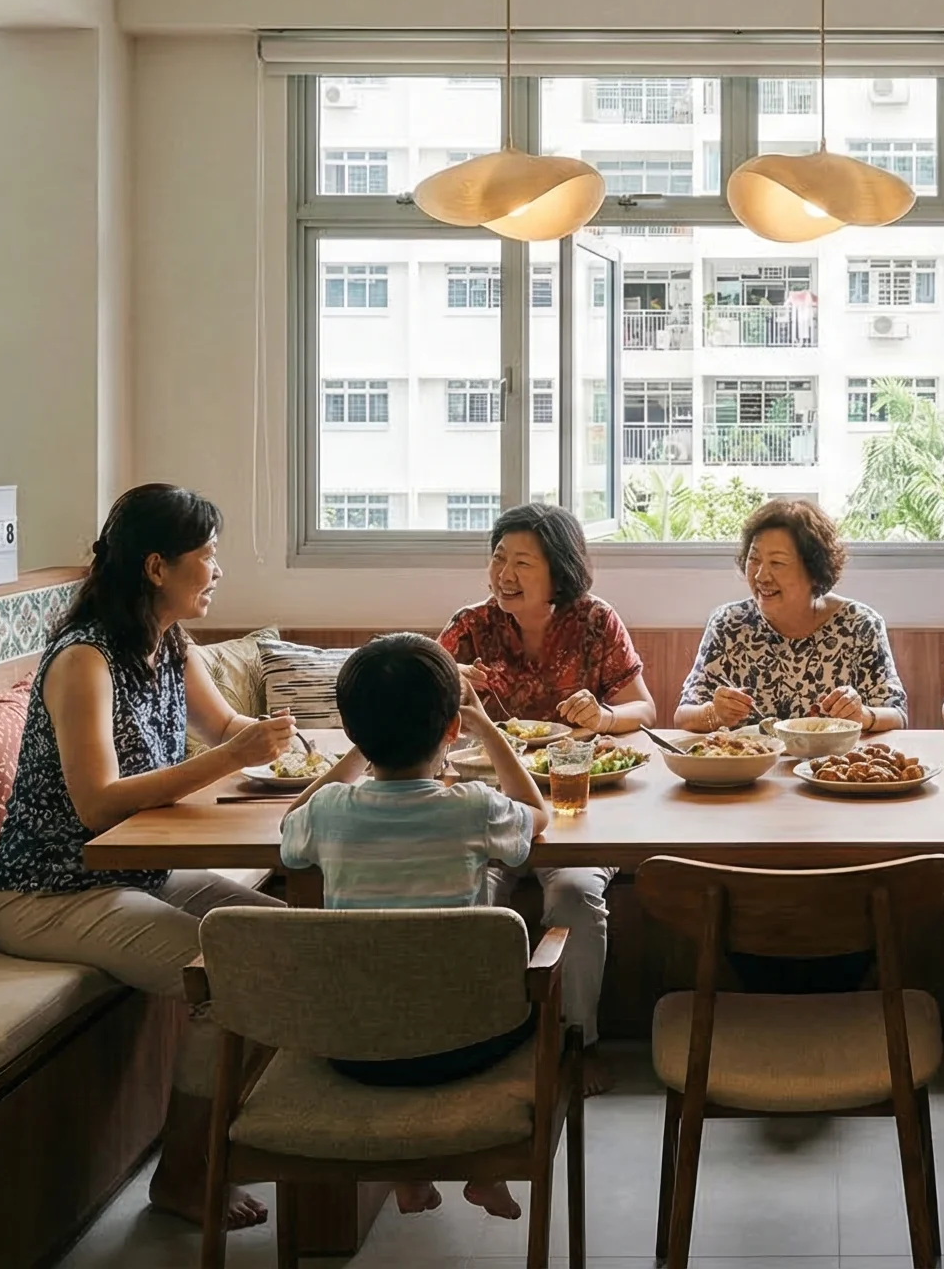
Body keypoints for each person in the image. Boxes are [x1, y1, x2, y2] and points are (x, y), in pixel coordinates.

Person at [0, 483, 297, 1234]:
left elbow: (227, 726)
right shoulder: (84, 659)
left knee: (291, 943)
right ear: (158, 567)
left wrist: (310, 745)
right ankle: (184, 1176)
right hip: (50, 893)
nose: (217, 570)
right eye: (207, 557)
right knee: (236, 976)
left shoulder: (168, 644)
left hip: (134, 873)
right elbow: (97, 804)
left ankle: (238, 1148)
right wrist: (234, 753)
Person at [278, 633, 550, 1220]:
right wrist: (494, 735)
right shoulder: (474, 806)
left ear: (352, 732)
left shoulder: (328, 814)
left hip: (353, 1044)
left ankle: (412, 1173)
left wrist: (353, 755)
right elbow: (540, 817)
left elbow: (291, 823)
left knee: (401, 1002)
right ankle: (484, 1164)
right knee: (531, 1002)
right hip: (465, 1038)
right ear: (451, 729)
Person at [438, 502, 656, 1089]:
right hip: (490, 804)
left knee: (578, 894)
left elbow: (644, 708)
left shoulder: (594, 620)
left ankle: (572, 1046)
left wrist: (604, 715)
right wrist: (450, 689)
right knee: (471, 893)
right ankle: (472, 1041)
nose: (504, 573)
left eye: (522, 563)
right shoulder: (469, 626)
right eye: (499, 558)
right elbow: (422, 719)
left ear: (558, 569)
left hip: (576, 803)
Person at [674, 499, 905, 733]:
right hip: (748, 767)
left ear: (814, 572)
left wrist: (863, 715)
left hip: (831, 766)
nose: (761, 576)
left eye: (777, 563)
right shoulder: (729, 624)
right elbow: (684, 715)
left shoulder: (860, 625)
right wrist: (714, 713)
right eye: (754, 559)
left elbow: (897, 714)